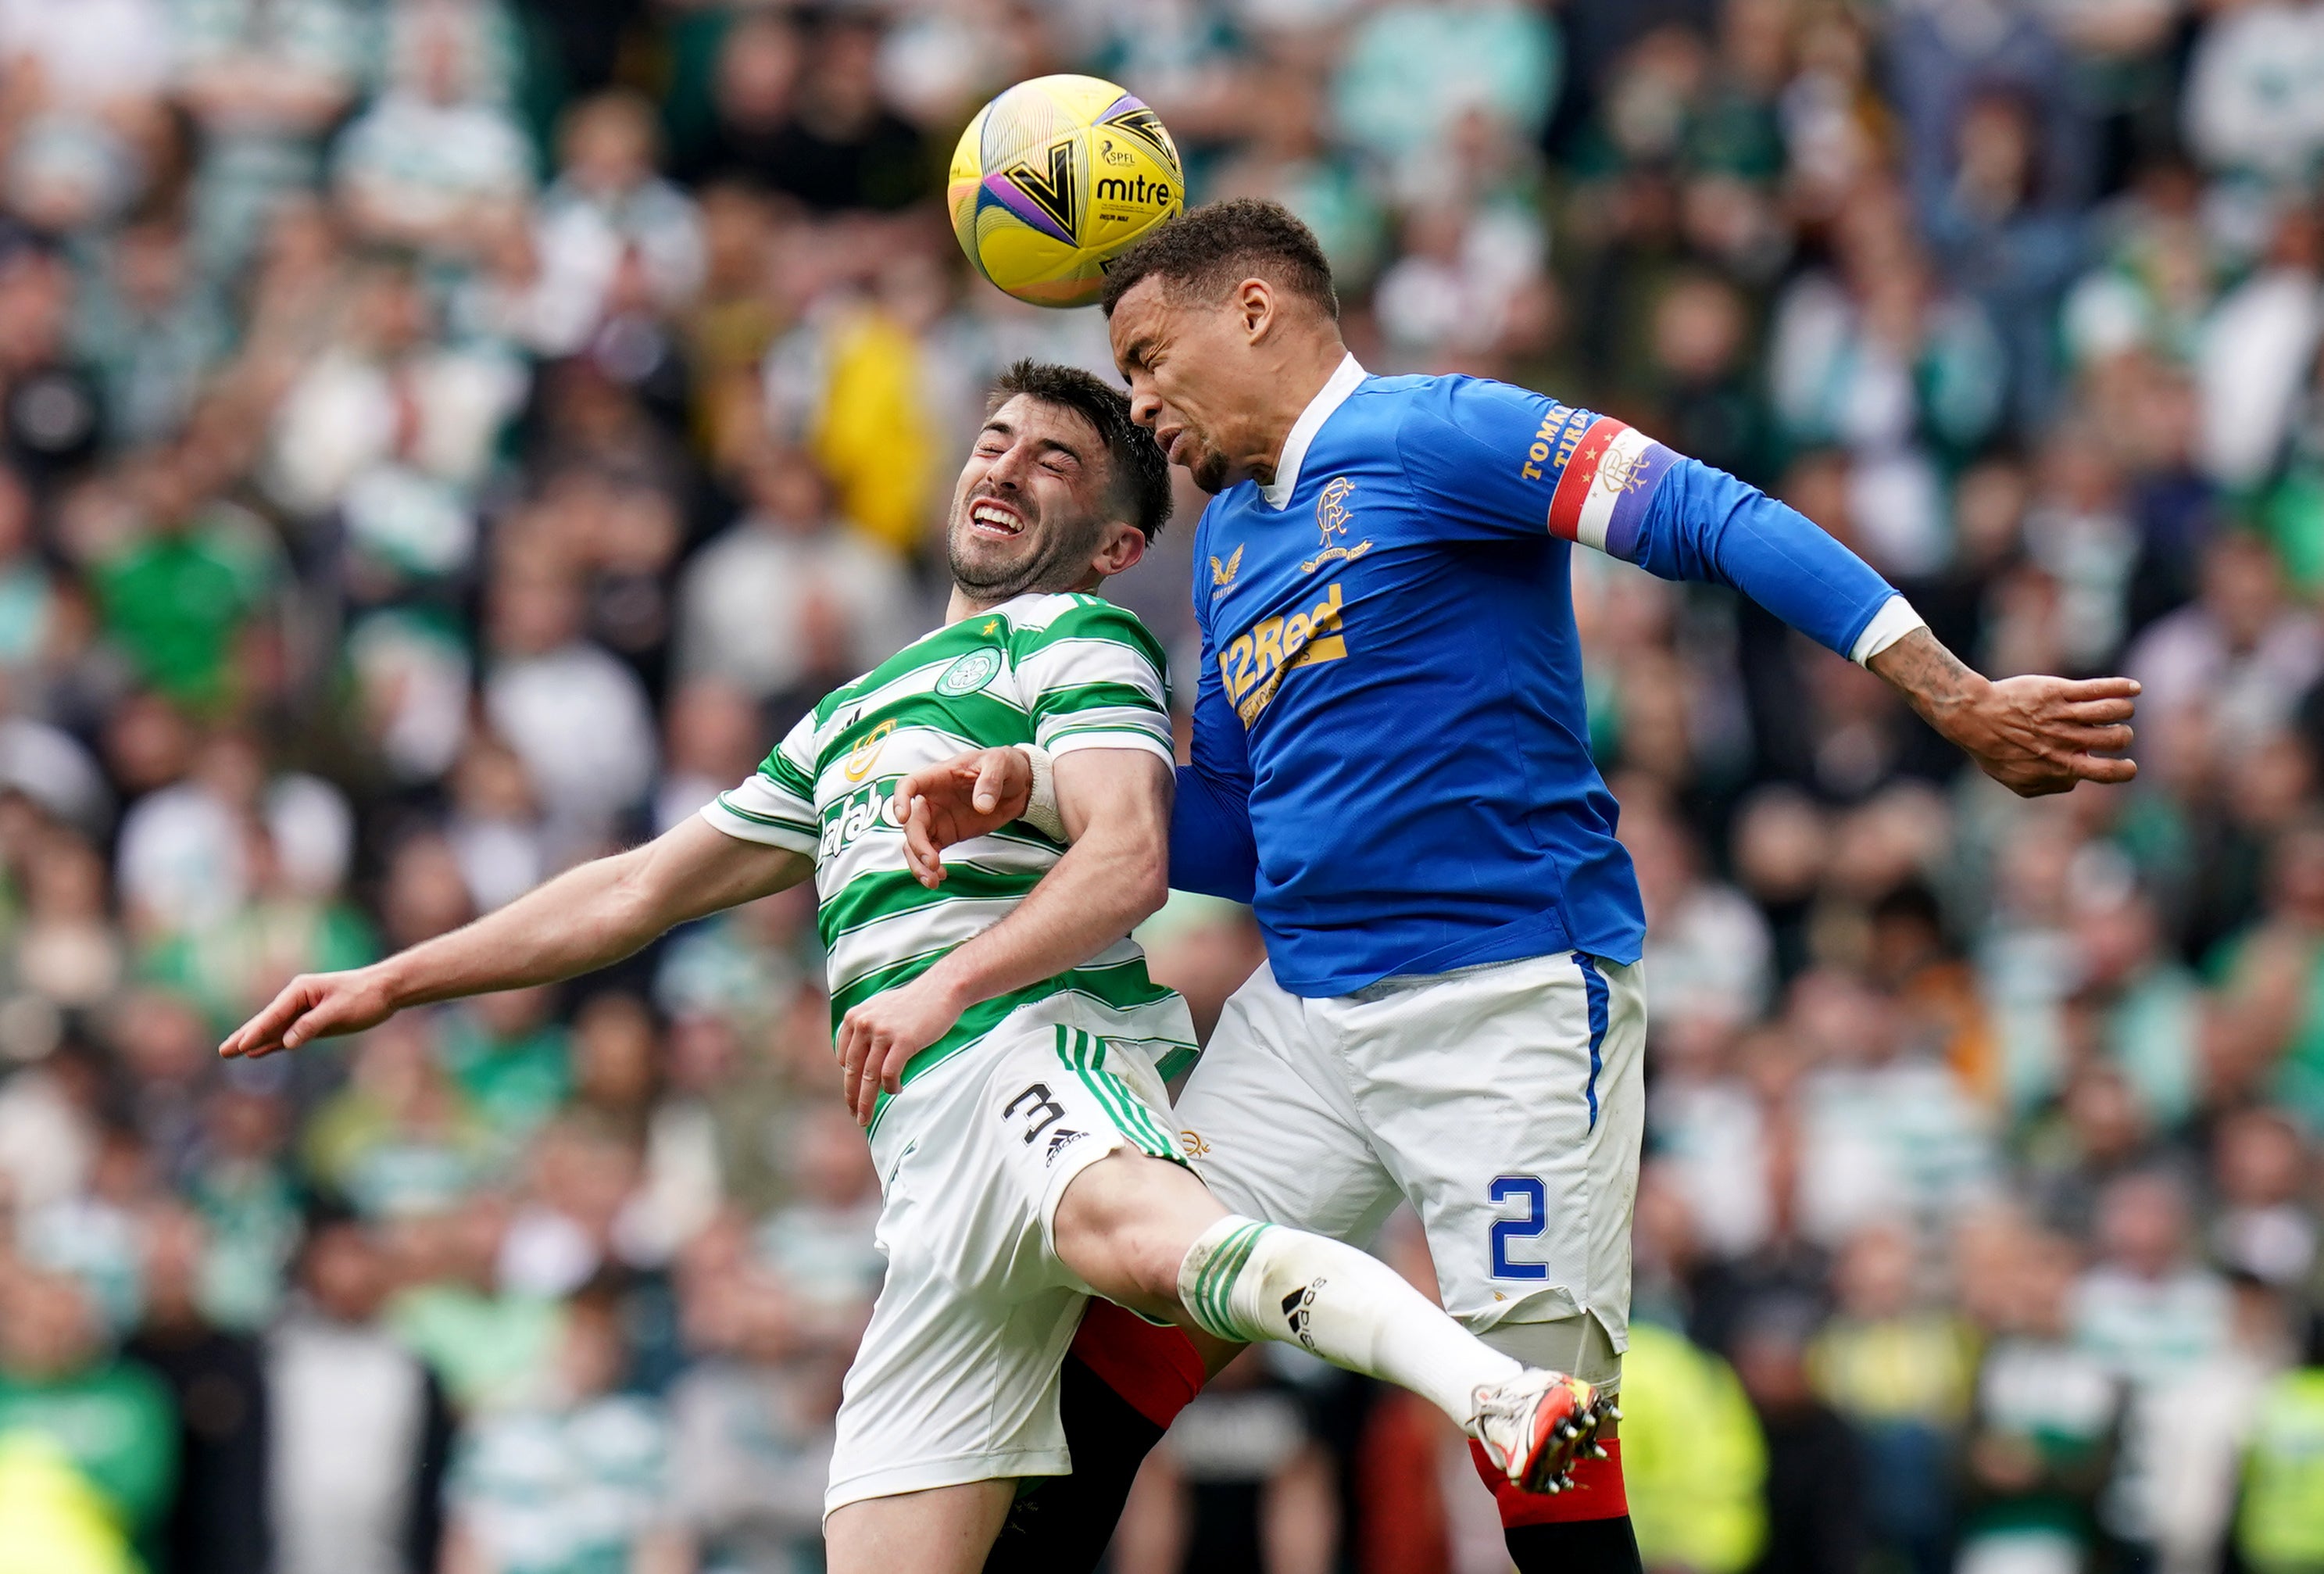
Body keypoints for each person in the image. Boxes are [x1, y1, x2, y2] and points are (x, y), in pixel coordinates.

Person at [890, 199, 2143, 1574]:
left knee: (1538, 1440)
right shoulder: (1238, 547)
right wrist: (1047, 785)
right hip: (1302, 1017)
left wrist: (1952, 694)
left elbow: (1708, 512)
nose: (1140, 403)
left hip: (1506, 1002)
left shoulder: (1440, 431)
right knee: (1109, 1364)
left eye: (1146, 353)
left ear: (1252, 309)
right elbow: (1239, 836)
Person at [218, 361, 1612, 1574]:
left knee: (1130, 1239)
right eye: (995, 439)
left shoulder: (1082, 641)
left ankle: (1487, 1389)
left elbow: (1127, 853)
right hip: (929, 1178)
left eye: (1053, 457)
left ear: (1116, 540)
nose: (1005, 464)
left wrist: (949, 986)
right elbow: (636, 888)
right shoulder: (843, 717)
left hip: (1035, 1051)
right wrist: (397, 978)